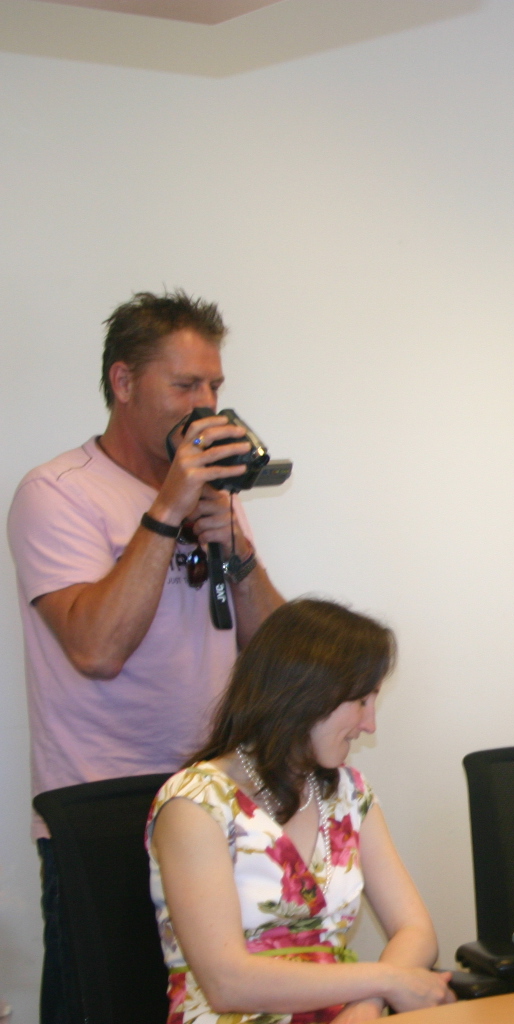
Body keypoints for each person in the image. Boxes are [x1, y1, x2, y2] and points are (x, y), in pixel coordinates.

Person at [7, 290, 285, 1021]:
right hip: (104, 810)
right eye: (186, 385)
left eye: (215, 386)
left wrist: (238, 551)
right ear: (124, 381)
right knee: (109, 1007)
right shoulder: (55, 493)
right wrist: (166, 509)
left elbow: (280, 660)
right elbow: (97, 649)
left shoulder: (216, 497)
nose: (207, 406)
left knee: (215, 1008)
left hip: (211, 803)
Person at [147, 598, 454, 1022]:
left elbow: (415, 930)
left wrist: (365, 1006)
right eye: (361, 701)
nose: (370, 724)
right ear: (306, 694)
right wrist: (385, 981)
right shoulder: (195, 803)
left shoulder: (349, 793)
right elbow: (226, 983)